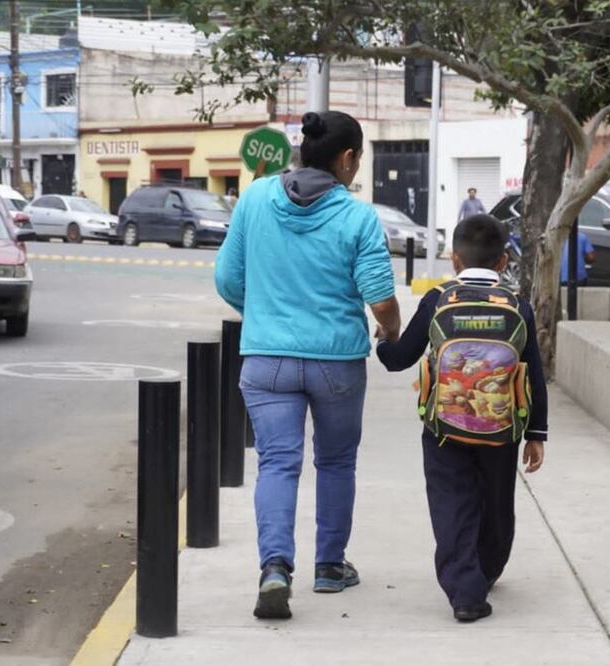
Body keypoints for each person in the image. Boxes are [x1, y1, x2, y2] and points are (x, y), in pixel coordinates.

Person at [215, 110, 401, 620]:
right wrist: (391, 329)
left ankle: (275, 568)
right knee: (336, 462)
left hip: (265, 362)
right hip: (336, 363)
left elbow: (227, 278)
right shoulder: (358, 217)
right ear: (346, 159)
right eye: (358, 159)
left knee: (276, 463)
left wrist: (266, 312)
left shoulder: (254, 198)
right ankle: (329, 567)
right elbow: (381, 298)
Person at [375, 214, 548, 623]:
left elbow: (401, 359)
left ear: (454, 259)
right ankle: (485, 569)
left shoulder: (438, 301)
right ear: (504, 261)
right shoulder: (518, 306)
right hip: (501, 430)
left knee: (452, 503)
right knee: (496, 502)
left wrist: (383, 344)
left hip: (443, 430)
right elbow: (534, 375)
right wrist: (536, 434)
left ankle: (465, 589)